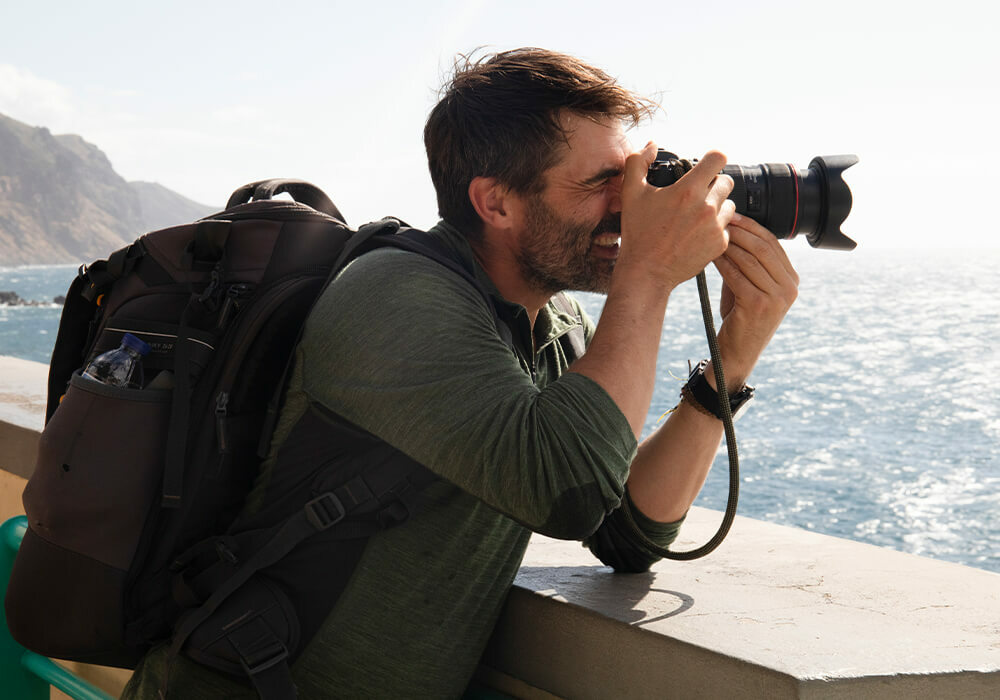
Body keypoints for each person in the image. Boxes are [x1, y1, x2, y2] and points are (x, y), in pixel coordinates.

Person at [124, 47, 798, 698]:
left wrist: (730, 363)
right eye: (601, 183)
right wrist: (647, 275)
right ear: (495, 202)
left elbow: (625, 531)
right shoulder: (395, 295)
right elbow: (567, 490)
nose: (629, 204)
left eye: (628, 178)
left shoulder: (554, 321)